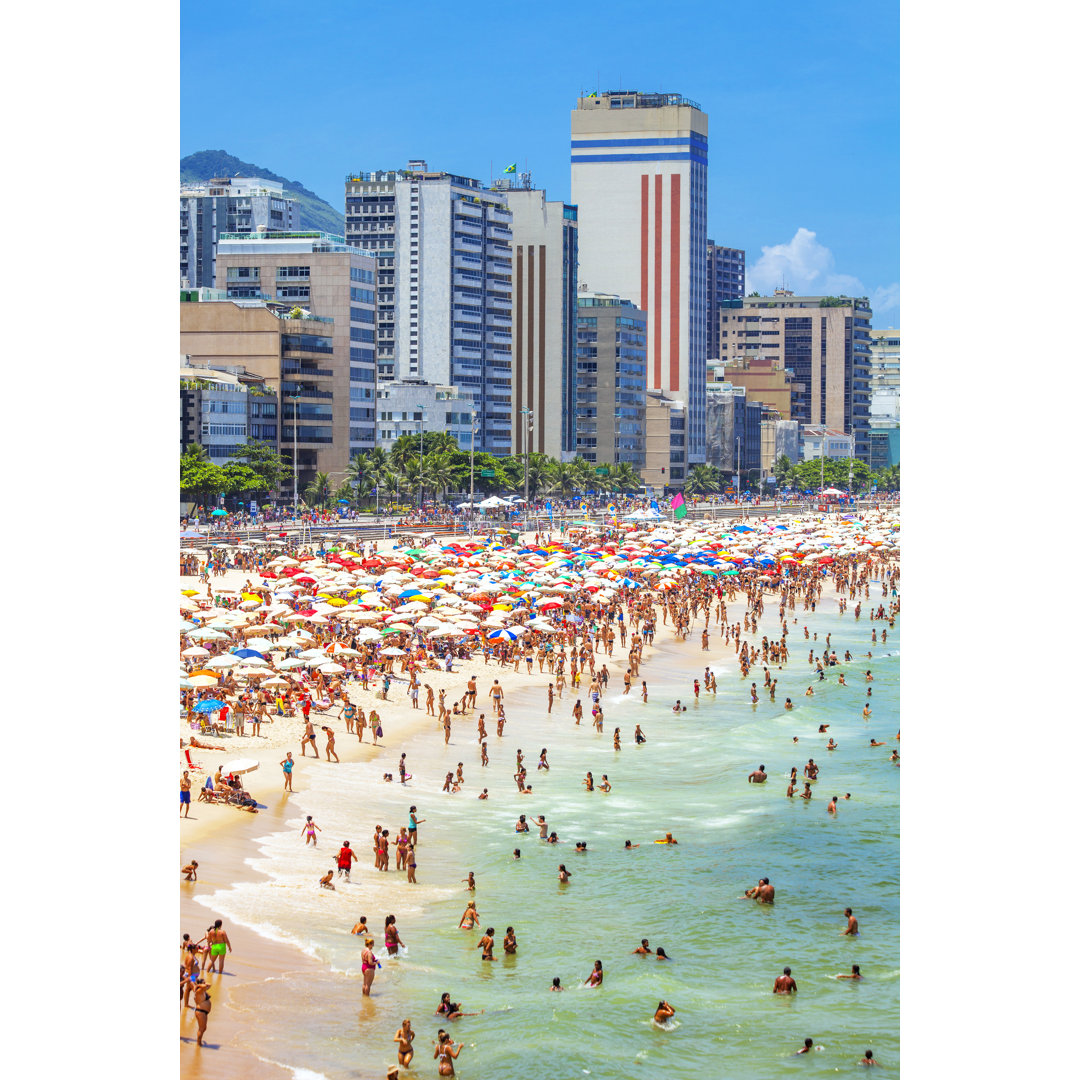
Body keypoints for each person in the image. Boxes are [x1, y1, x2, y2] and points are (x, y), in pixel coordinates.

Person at [191, 979, 212, 1046]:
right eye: (204, 983)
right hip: (200, 1012)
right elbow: (204, 986)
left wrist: (199, 984)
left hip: (203, 1012)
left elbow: (209, 985)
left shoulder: (203, 990)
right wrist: (198, 985)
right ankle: (198, 1043)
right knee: (201, 1028)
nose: (205, 984)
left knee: (204, 1028)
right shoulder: (199, 991)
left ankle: (199, 1042)